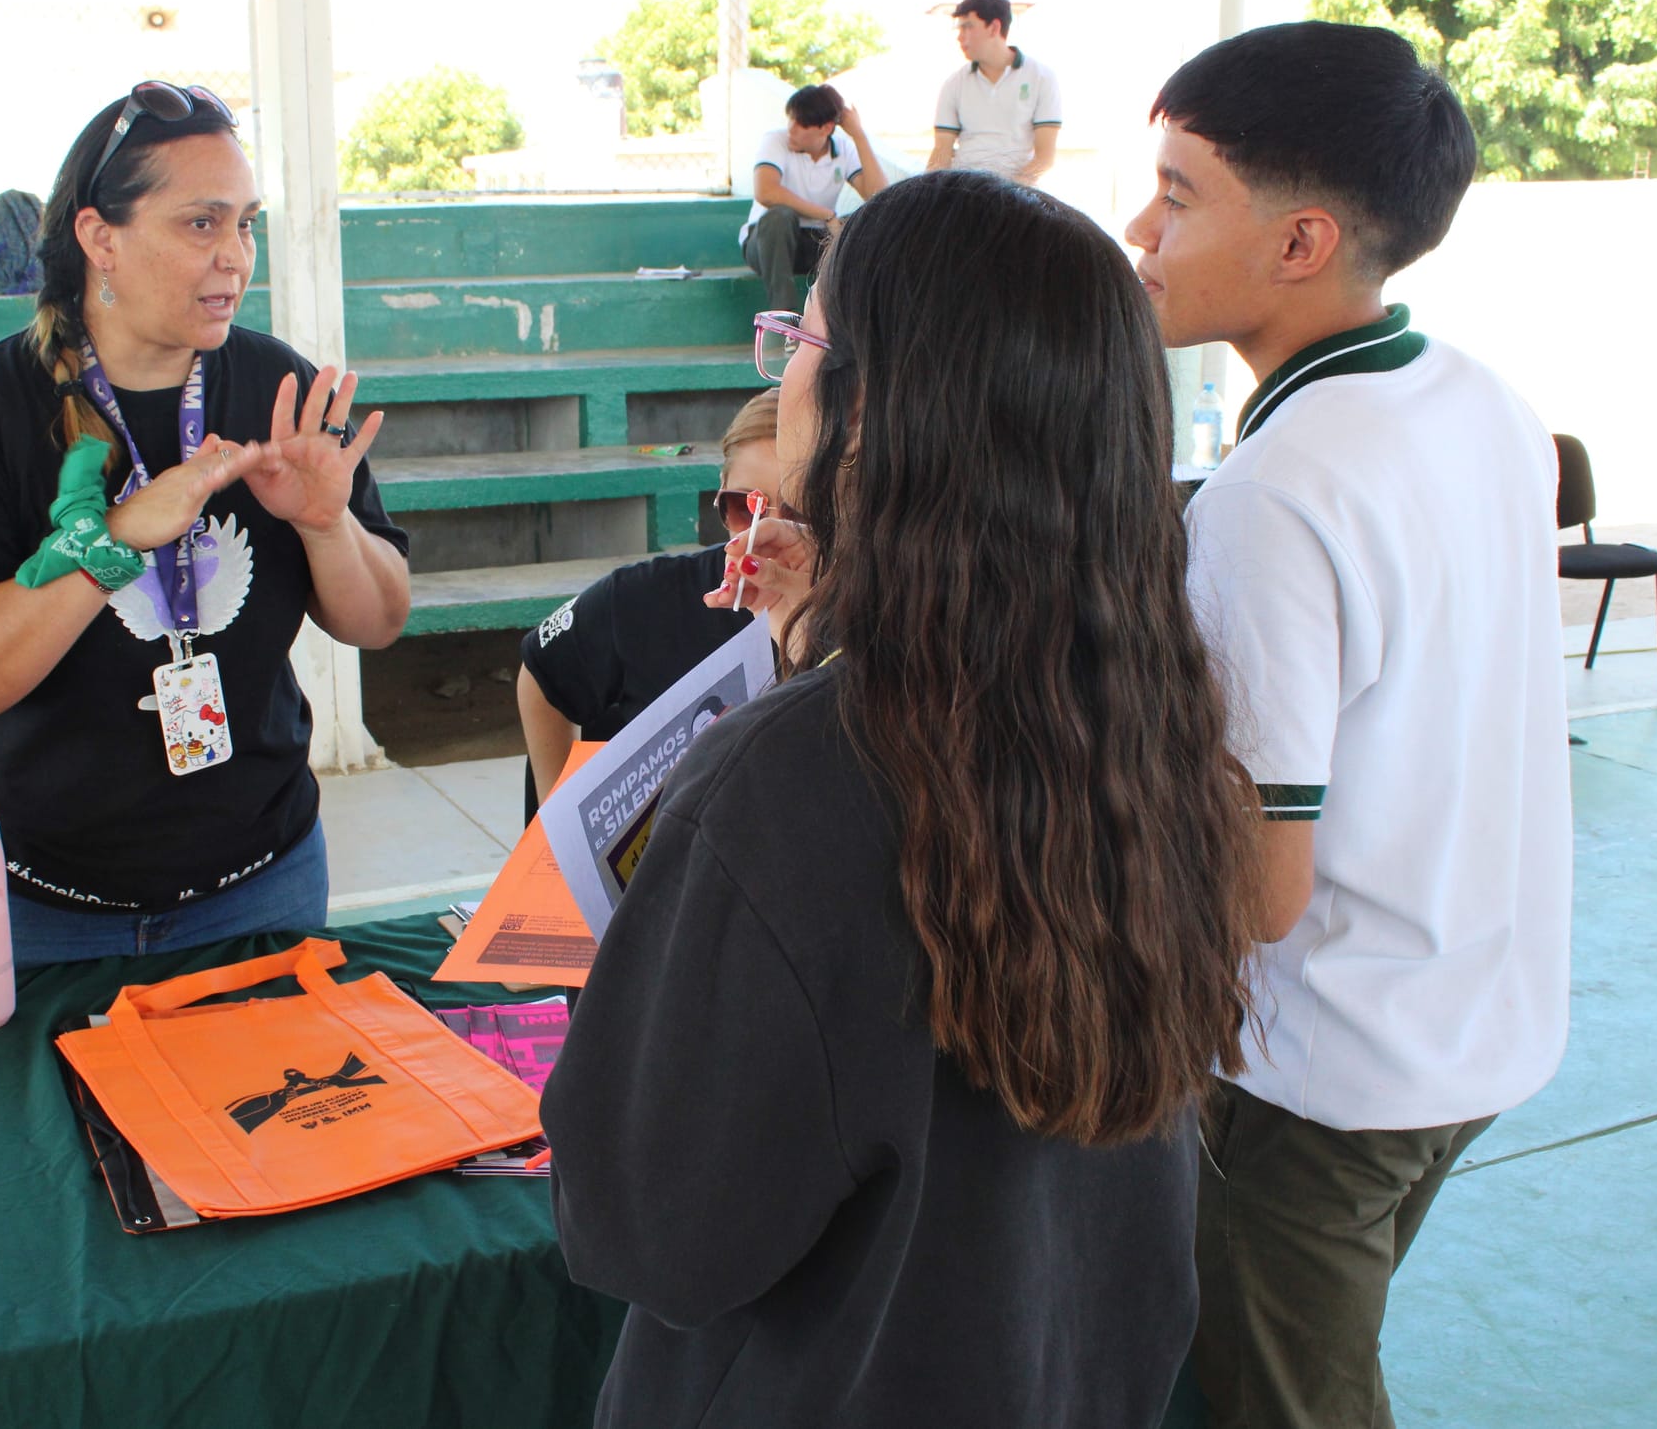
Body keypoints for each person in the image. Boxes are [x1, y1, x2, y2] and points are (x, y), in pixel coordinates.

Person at [542, 169, 1266, 1428]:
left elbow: (649, 1234)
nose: (788, 367)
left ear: (876, 407)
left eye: (804, 337)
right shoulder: (1154, 718)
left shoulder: (795, 775)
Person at [1123, 23, 1572, 1428]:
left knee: (1290, 1401)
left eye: (1179, 192)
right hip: (1479, 1017)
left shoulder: (1277, 494)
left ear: (1301, 239)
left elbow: (1257, 890)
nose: (1140, 228)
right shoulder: (1486, 403)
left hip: (1324, 1072)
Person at [0, 81, 411, 966]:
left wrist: (327, 527)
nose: (236, 258)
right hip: (37, 907)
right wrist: (114, 540)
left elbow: (380, 620)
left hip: (263, 881)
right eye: (200, 223)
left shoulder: (276, 385)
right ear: (101, 239)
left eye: (246, 223)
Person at [516, 390, 782, 819]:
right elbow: (543, 671)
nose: (764, 535)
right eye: (745, 508)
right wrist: (555, 823)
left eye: (799, 514)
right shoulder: (644, 601)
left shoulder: (870, 624)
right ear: (720, 492)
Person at [740, 85, 887, 314]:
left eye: (801, 124)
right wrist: (825, 214)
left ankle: (852, 319)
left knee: (865, 223)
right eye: (791, 120)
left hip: (816, 242)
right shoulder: (775, 141)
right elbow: (766, 192)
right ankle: (785, 318)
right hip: (767, 243)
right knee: (780, 216)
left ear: (826, 128)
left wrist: (859, 135)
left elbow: (880, 197)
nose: (792, 129)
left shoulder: (843, 149)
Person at [927, 0, 1062, 185]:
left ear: (994, 27)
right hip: (964, 191)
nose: (960, 37)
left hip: (1018, 196)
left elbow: (1045, 158)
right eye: (959, 29)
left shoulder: (1041, 77)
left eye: (968, 27)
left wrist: (1007, 193)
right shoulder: (954, 84)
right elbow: (941, 153)